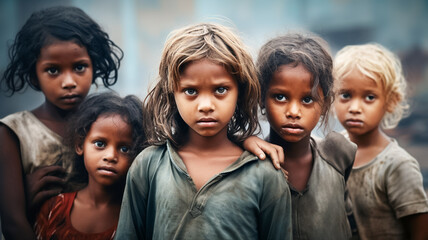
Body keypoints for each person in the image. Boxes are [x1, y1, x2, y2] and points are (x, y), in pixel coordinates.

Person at [115, 22, 292, 240]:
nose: (206, 105)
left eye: (220, 90)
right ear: (172, 93)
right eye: (190, 91)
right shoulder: (149, 165)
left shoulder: (265, 174)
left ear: (240, 91)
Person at [0, 6, 123, 239]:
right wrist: (26, 200)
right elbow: (13, 224)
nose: (68, 82)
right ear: (34, 75)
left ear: (94, 65)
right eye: (53, 70)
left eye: (79, 67)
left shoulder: (112, 126)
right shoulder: (14, 133)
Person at [256, 32, 357, 239]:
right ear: (261, 99)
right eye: (280, 97)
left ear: (325, 104)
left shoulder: (338, 155)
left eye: (307, 99)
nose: (293, 111)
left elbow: (347, 223)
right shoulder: (249, 164)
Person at [333, 43, 428, 240]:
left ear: (391, 101)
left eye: (369, 97)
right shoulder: (331, 151)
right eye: (346, 95)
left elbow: (420, 231)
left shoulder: (397, 165)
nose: (355, 107)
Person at [33, 92, 145, 240]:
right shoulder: (53, 209)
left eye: (125, 149)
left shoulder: (137, 218)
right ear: (80, 145)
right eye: (100, 144)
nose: (110, 156)